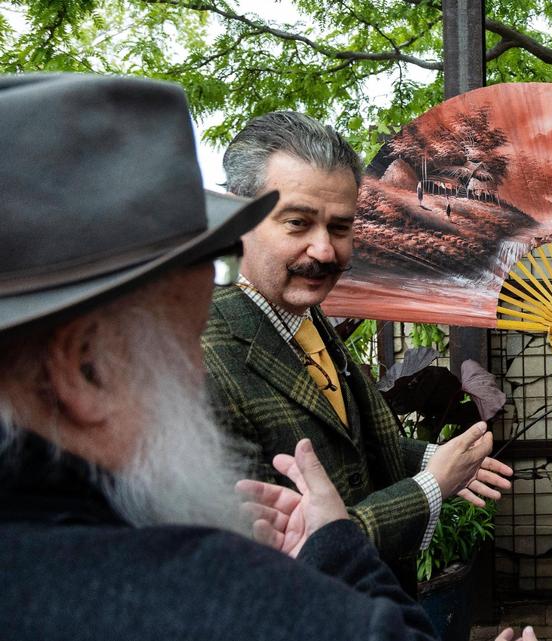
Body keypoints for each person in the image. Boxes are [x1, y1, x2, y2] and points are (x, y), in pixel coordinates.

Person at [0, 72, 445, 640]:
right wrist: (416, 495)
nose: (324, 249)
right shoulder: (199, 596)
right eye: (182, 347)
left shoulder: (318, 329)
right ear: (86, 367)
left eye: (340, 226)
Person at [202, 111, 513, 593]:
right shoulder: (204, 360)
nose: (324, 251)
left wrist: (432, 455)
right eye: (297, 223)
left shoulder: (305, 315)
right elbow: (286, 552)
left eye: (340, 227)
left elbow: (348, 449)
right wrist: (431, 487)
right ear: (233, 220)